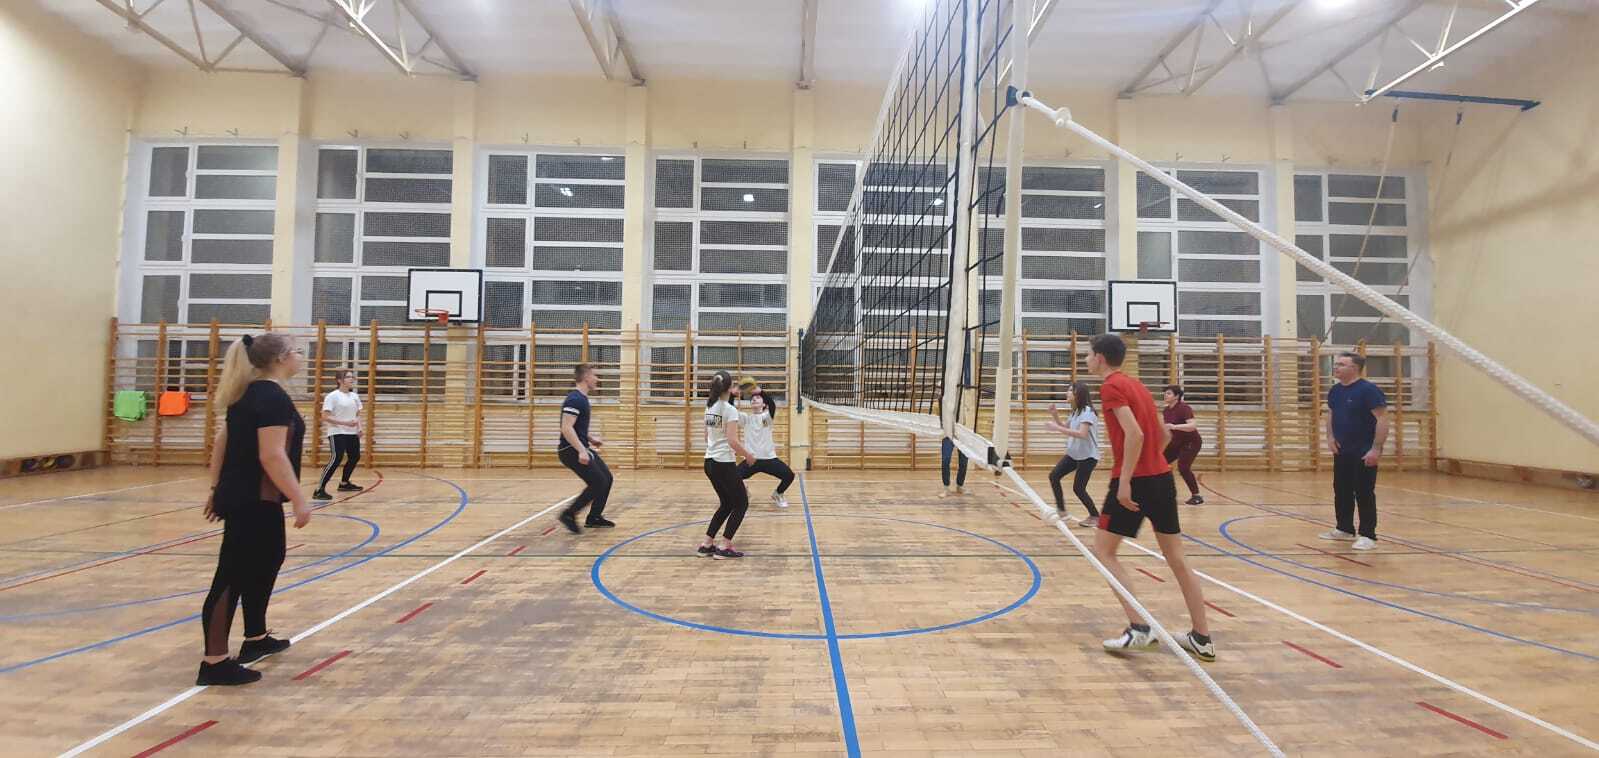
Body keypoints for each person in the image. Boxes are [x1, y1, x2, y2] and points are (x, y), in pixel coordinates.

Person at [1086, 334, 1214, 662]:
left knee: (1103, 551)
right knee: (1177, 559)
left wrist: (1126, 480)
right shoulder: (1138, 385)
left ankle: (1139, 628)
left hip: (1136, 482)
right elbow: (1164, 434)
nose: (1086, 359)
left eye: (1088, 354)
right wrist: (1151, 463)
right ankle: (1202, 637)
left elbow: (1136, 434)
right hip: (1161, 479)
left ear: (1100, 357)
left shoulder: (1111, 386)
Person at [197, 332, 312, 686]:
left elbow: (223, 441)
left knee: (268, 560)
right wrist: (298, 497)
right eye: (296, 351)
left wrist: (216, 487)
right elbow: (271, 454)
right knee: (231, 575)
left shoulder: (249, 393)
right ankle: (214, 662)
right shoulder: (270, 397)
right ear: (280, 359)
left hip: (251, 496)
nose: (300, 356)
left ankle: (256, 637)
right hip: (252, 498)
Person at [1321, 352, 1388, 551]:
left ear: (1354, 368)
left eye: (1341, 364)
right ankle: (1344, 528)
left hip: (1364, 451)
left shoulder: (1368, 390)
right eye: (1336, 364)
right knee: (1341, 490)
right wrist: (1330, 437)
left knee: (1364, 492)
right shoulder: (1335, 390)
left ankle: (1368, 535)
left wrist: (1376, 448)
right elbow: (1331, 415)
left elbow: (1382, 419)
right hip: (1342, 450)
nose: (1336, 367)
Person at [700, 370, 757, 559]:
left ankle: (706, 544)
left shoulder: (709, 406)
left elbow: (706, 436)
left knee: (726, 503)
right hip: (724, 463)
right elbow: (732, 440)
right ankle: (724, 546)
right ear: (729, 388)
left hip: (709, 462)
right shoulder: (729, 410)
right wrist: (748, 456)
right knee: (741, 503)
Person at [556, 363, 615, 534]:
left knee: (606, 478)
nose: (597, 379)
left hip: (580, 446)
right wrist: (581, 450)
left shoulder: (581, 398)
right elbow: (566, 427)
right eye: (594, 375)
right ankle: (568, 514)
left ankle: (594, 517)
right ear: (586, 377)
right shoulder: (574, 399)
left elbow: (575, 427)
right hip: (570, 450)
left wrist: (590, 439)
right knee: (598, 482)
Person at [1045, 381, 1100, 528]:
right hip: (1074, 454)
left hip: (1088, 457)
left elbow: (1082, 434)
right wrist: (1055, 415)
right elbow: (1065, 427)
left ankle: (1095, 516)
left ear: (1078, 394)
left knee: (1078, 489)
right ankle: (1062, 511)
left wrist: (1057, 428)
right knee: (1054, 476)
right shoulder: (1075, 411)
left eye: (1070, 390)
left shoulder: (1088, 411)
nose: (1067, 393)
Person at [736, 378, 794, 509]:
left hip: (769, 459)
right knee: (733, 477)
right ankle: (744, 492)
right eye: (752, 399)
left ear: (763, 404)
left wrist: (760, 391)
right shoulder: (746, 419)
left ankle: (778, 494)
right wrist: (734, 394)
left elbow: (772, 405)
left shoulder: (766, 418)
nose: (754, 399)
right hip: (751, 460)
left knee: (789, 476)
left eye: (758, 398)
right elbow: (730, 410)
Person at [313, 369, 364, 501]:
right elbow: (325, 416)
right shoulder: (332, 396)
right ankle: (319, 489)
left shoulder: (354, 396)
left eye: (352, 377)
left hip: (351, 433)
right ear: (339, 380)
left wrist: (359, 428)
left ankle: (344, 483)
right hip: (337, 432)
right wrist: (345, 423)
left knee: (355, 457)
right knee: (336, 458)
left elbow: (357, 414)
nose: (352, 379)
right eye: (348, 377)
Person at [1161, 385, 1205, 505]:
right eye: (1165, 393)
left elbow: (1192, 426)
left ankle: (1196, 496)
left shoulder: (1184, 408)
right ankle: (1163, 492)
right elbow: (1167, 431)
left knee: (1183, 467)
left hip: (1191, 442)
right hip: (1177, 442)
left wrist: (1175, 427)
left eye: (1169, 393)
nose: (1165, 395)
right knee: (1159, 462)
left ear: (1176, 396)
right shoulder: (1166, 411)